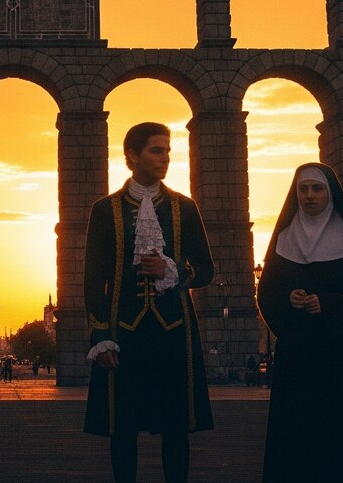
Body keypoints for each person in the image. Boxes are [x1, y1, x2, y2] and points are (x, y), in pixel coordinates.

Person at [84, 122, 216, 483]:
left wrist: (173, 269)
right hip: (123, 334)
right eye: (156, 150)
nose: (165, 158)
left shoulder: (185, 207)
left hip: (174, 332)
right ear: (132, 156)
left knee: (175, 428)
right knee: (122, 428)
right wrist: (101, 337)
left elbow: (206, 269)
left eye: (168, 151)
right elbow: (93, 279)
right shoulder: (104, 210)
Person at [257, 163, 343, 483]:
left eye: (317, 189)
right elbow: (267, 293)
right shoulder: (282, 240)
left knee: (341, 429)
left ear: (330, 194)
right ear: (295, 194)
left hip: (340, 354)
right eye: (303, 189)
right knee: (296, 430)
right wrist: (289, 300)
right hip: (296, 353)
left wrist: (327, 304)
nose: (309, 195)